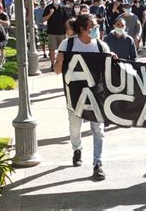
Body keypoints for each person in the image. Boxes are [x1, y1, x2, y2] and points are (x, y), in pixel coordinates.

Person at [54, 14, 116, 180]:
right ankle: (77, 149)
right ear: (82, 28)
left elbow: (109, 72)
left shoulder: (102, 46)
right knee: (75, 126)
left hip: (96, 96)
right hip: (75, 97)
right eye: (93, 26)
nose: (96, 29)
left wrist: (113, 61)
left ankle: (98, 163)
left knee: (98, 130)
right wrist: (59, 61)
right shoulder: (68, 44)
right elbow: (58, 71)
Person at [43, 0, 68, 72]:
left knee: (62, 49)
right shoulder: (48, 7)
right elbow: (43, 19)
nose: (57, 0)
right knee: (52, 49)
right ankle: (52, 64)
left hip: (61, 32)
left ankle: (61, 64)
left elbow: (66, 21)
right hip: (52, 32)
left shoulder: (63, 8)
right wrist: (50, 13)